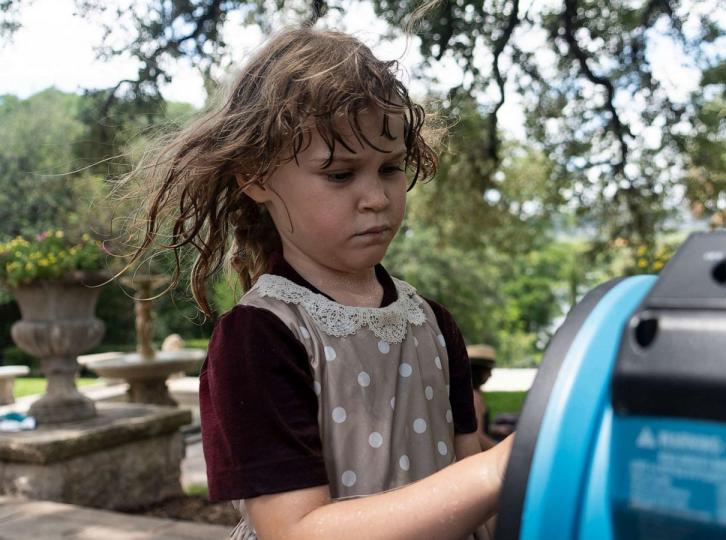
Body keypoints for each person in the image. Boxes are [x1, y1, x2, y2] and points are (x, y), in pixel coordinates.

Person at [119, 27, 512, 540]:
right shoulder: (259, 339)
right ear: (256, 176)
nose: (375, 197)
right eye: (340, 175)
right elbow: (294, 529)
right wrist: (495, 469)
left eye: (391, 168)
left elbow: (475, 503)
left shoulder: (434, 324)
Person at [466, 344, 499, 450]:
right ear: (477, 372)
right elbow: (478, 437)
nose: (490, 375)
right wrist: (503, 452)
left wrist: (494, 429)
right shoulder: (474, 397)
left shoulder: (472, 393)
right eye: (488, 370)